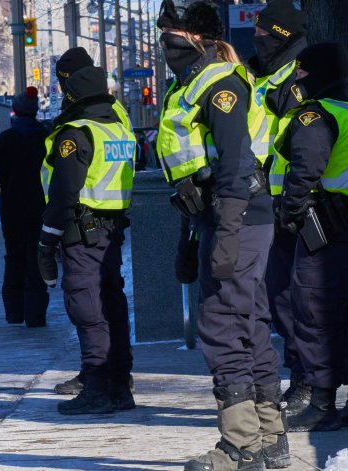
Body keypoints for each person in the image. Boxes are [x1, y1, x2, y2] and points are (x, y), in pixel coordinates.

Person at [155, 1, 288, 469]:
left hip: (238, 217)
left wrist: (227, 232)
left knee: (223, 326)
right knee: (248, 323)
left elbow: (233, 165)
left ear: (194, 37)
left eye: (169, 32)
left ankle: (242, 444)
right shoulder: (192, 83)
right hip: (225, 217)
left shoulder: (220, 84)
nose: (164, 41)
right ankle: (270, 437)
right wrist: (190, 238)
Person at [36, 61, 135, 417]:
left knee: (88, 308)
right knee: (112, 306)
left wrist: (47, 239)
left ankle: (96, 387)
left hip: (82, 232)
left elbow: (64, 192)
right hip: (111, 231)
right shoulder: (120, 129)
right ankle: (120, 385)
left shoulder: (77, 132)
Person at [273, 42, 348, 432]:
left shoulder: (316, 116)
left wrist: (291, 212)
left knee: (315, 312)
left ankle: (322, 403)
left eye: (300, 73)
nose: (296, 80)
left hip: (327, 232)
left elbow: (305, 170)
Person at [249, 0, 311, 415]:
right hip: (264, 200)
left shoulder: (300, 76)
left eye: (266, 33)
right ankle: (301, 376)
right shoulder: (260, 75)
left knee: (297, 298)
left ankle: (308, 381)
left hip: (297, 202)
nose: (259, 39)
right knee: (278, 294)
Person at [0, 86, 50, 327]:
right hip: (41, 209)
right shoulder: (46, 138)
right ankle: (36, 314)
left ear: (15, 110)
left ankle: (14, 312)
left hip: (12, 209)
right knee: (37, 260)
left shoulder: (5, 140)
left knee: (14, 258)